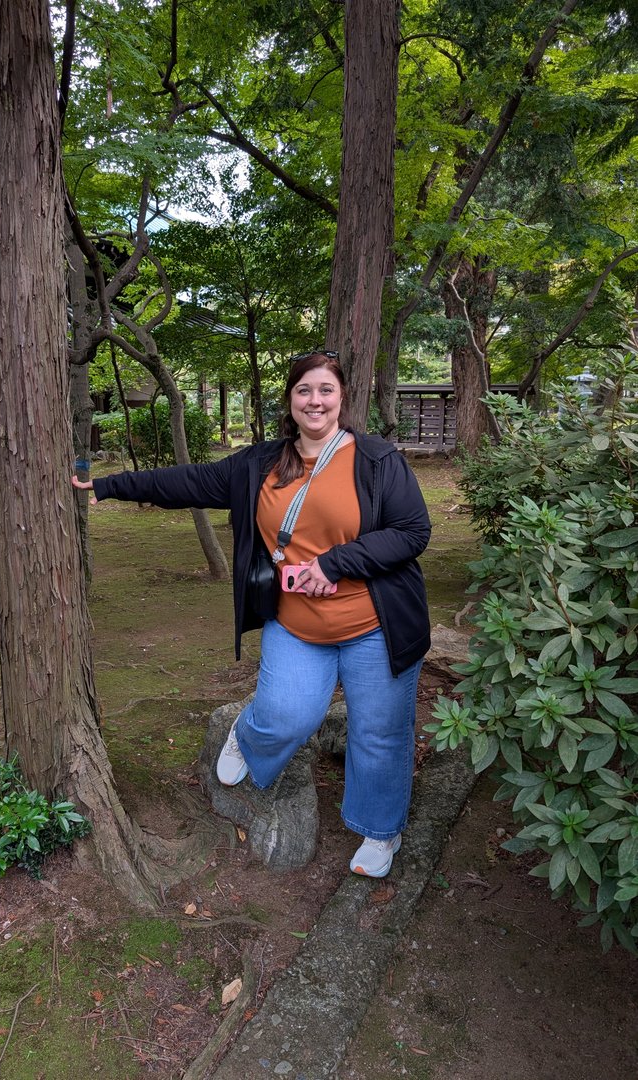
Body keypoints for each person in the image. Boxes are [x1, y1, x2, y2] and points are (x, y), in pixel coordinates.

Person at [72, 351, 431, 878]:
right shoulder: (258, 464)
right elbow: (188, 483)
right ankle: (248, 734)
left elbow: (412, 532)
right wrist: (109, 485)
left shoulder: (377, 460)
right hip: (297, 624)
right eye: (305, 390)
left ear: (342, 398)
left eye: (326, 390)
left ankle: (379, 831)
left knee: (379, 732)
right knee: (288, 715)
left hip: (374, 625)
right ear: (291, 399)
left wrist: (335, 563)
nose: (315, 400)